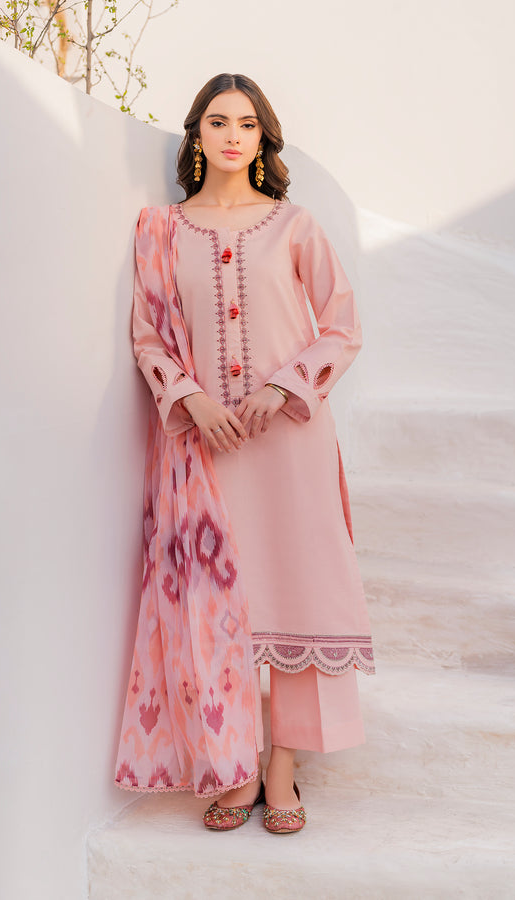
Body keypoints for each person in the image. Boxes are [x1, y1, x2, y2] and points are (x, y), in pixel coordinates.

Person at [114, 73, 375, 835]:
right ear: (196, 134)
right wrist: (189, 398)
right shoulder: (161, 229)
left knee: (295, 594)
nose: (234, 136)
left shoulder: (293, 226)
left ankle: (282, 767)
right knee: (221, 605)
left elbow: (341, 327)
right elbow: (148, 337)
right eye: (219, 122)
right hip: (206, 446)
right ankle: (235, 763)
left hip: (289, 438)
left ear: (264, 139)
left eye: (248, 124)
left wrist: (286, 386)